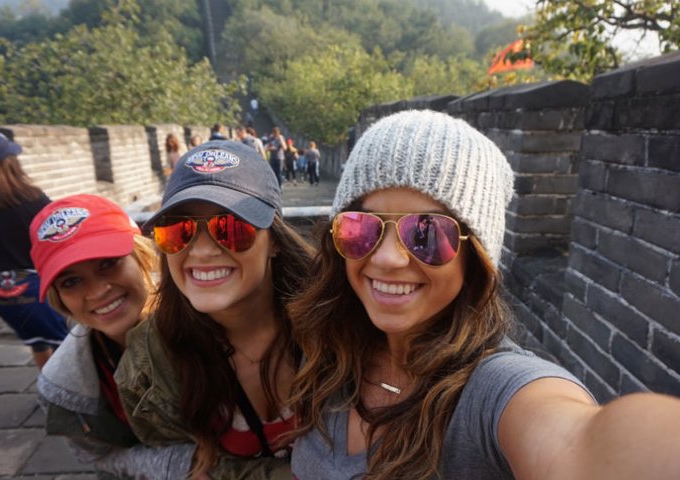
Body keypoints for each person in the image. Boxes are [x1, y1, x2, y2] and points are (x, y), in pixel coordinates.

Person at [288, 110, 680, 479]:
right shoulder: (328, 350)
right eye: (363, 226)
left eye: (426, 232)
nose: (388, 258)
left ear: (475, 258)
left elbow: (581, 442)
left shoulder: (494, 391)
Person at [115, 140, 314, 477]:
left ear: (275, 242)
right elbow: (184, 459)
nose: (202, 251)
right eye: (179, 231)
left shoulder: (336, 324)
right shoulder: (150, 364)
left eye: (232, 229)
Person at [30, 193, 205, 478]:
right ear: (59, 298)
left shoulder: (213, 321)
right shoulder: (62, 385)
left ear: (142, 256)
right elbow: (100, 455)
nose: (98, 292)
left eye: (108, 263)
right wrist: (181, 466)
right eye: (71, 281)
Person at [0, 130, 68, 368]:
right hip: (38, 290)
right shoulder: (32, 199)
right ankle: (70, 397)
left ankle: (47, 392)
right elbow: (57, 237)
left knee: (38, 343)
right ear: (9, 162)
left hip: (0, 294)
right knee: (69, 347)